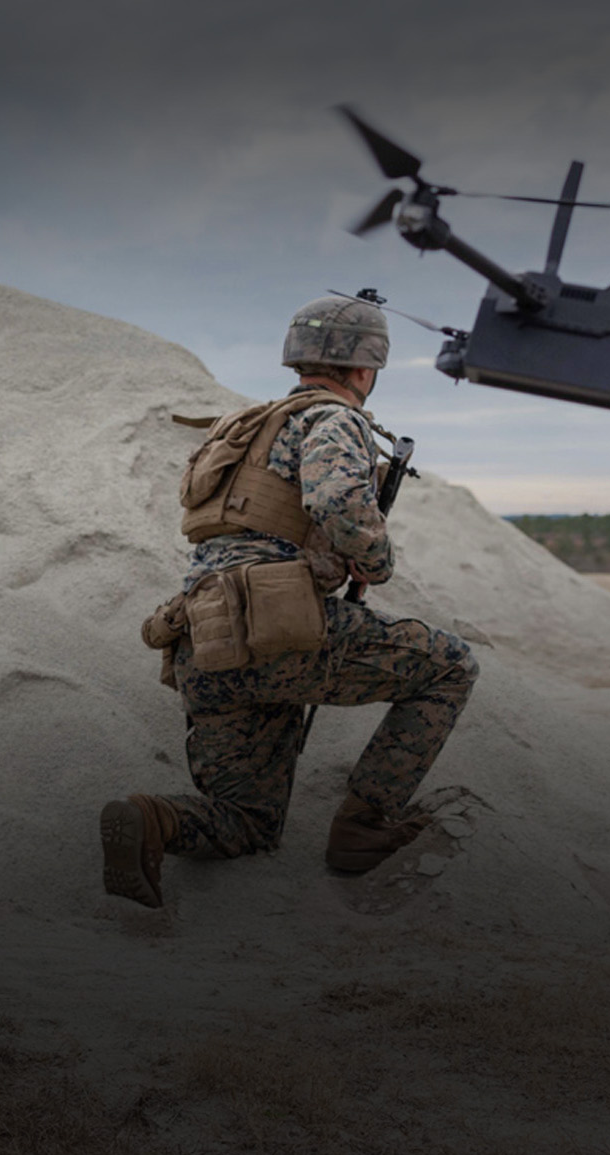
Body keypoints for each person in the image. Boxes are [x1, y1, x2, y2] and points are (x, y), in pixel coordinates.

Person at [101, 294, 479, 905]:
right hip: (282, 631)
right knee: (450, 666)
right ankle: (362, 828)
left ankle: (154, 818)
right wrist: (375, 562)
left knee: (246, 821)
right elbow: (336, 502)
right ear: (365, 370)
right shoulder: (336, 420)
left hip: (206, 640)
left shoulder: (250, 428)